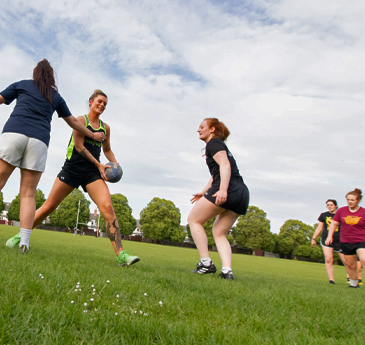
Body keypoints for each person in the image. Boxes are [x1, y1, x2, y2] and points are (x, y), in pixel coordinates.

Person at [6, 89, 140, 266]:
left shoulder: (105, 128)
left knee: (107, 207)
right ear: (91, 102)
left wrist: (115, 166)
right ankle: (20, 235)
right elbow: (79, 147)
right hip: (72, 169)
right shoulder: (80, 121)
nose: (102, 105)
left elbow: (107, 150)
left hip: (92, 173)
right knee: (48, 208)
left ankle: (122, 255)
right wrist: (99, 164)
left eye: (105, 104)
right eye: (99, 101)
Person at [1, 59, 105, 254]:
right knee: (28, 193)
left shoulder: (22, 85)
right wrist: (92, 134)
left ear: (35, 74)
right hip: (38, 141)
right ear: (51, 77)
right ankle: (24, 243)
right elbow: (73, 121)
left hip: (14, 133)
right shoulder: (54, 95)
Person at [187, 118, 249, 280]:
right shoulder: (219, 145)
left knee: (194, 220)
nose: (198, 130)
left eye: (202, 127)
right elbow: (216, 173)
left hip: (228, 188)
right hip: (241, 192)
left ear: (212, 129)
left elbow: (225, 166)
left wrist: (222, 190)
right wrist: (203, 192)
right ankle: (227, 271)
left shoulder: (213, 144)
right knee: (219, 232)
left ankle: (206, 263)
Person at [326, 188, 365, 288]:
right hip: (346, 241)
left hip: (361, 240)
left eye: (352, 200)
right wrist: (329, 236)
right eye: (348, 200)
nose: (350, 202)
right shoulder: (341, 211)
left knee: (364, 260)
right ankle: (354, 285)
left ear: (358, 200)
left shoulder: (363, 212)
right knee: (350, 265)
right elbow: (334, 224)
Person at [311, 199, 346, 284]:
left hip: (340, 240)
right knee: (328, 259)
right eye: (328, 205)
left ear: (336, 206)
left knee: (346, 260)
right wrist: (313, 238)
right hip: (326, 240)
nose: (329, 206)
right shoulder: (324, 215)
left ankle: (350, 278)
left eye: (331, 205)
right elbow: (319, 228)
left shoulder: (341, 215)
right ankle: (331, 280)